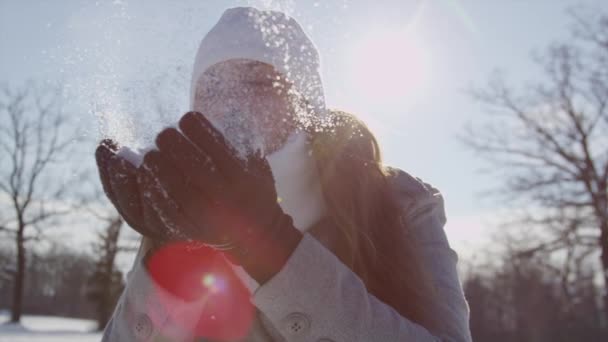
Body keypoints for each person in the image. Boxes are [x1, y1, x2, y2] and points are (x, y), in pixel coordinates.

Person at [96, 6, 472, 342]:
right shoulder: (189, 207)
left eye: (259, 83)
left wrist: (274, 248)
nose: (233, 103)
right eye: (213, 87)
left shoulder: (401, 203)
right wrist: (170, 251)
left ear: (306, 103)